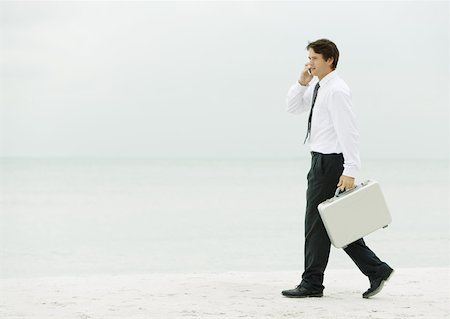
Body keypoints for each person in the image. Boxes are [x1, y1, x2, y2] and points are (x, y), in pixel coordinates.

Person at [282, 39, 393, 299]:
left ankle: (312, 283)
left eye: (314, 59)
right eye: (308, 58)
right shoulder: (319, 88)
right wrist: (301, 82)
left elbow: (349, 131)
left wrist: (351, 169)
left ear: (329, 60)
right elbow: (292, 107)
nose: (309, 63)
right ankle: (376, 270)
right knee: (334, 222)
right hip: (320, 161)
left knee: (317, 223)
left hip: (332, 163)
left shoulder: (337, 91)